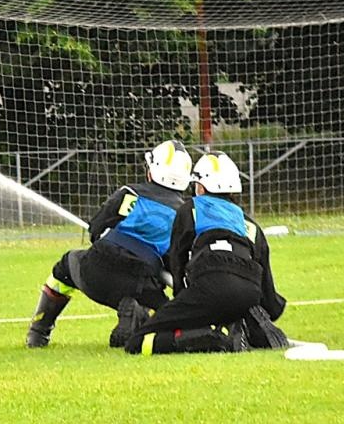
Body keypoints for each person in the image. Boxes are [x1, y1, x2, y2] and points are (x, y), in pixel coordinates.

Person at [25, 139, 193, 348]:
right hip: (141, 284)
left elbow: (95, 230)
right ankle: (141, 313)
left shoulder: (129, 194)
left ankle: (38, 333)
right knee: (171, 316)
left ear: (151, 170)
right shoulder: (185, 215)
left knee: (65, 266)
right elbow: (176, 264)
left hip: (97, 272)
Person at [120, 151, 289, 355]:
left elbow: (177, 259)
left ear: (201, 186)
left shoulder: (191, 209)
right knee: (221, 308)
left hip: (211, 284)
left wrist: (181, 298)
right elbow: (266, 281)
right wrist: (270, 309)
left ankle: (215, 339)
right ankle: (241, 324)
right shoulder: (250, 224)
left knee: (138, 343)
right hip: (249, 291)